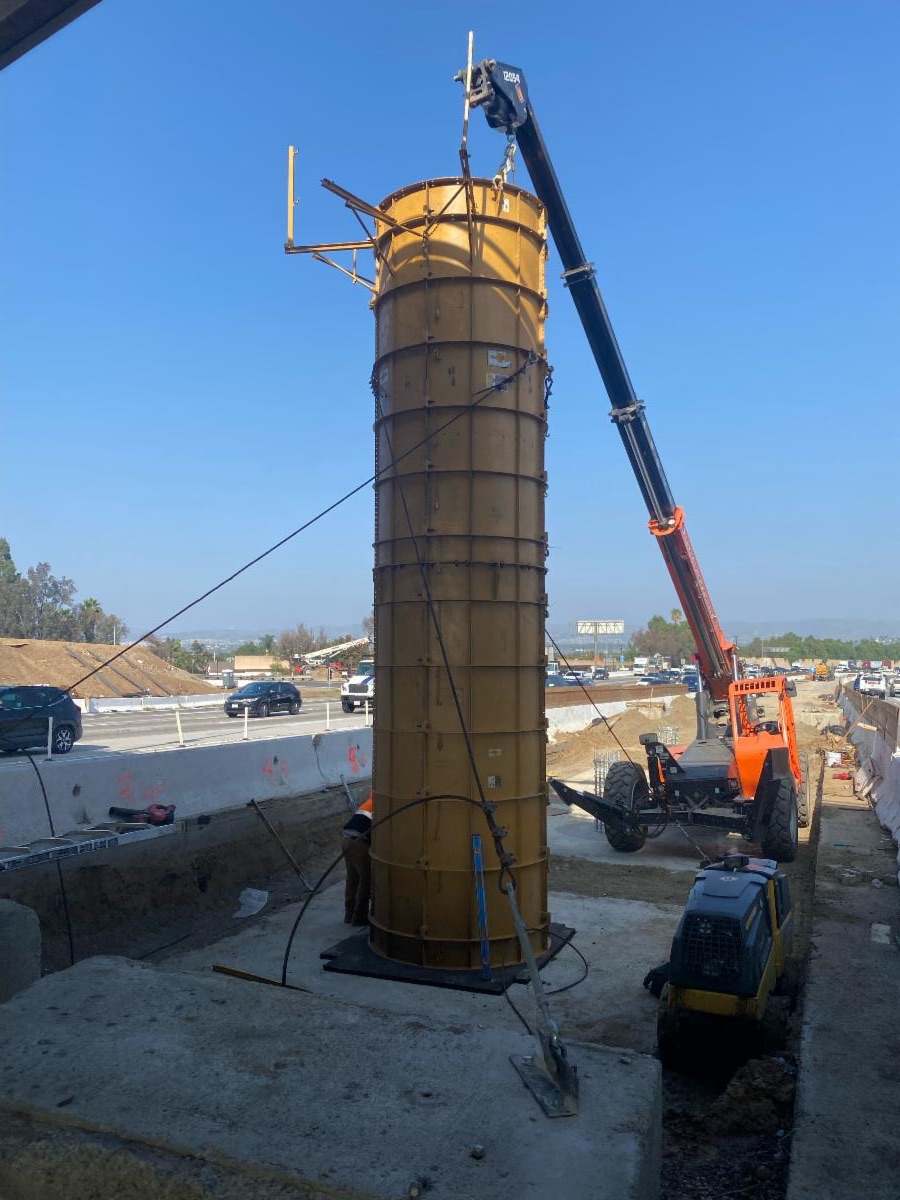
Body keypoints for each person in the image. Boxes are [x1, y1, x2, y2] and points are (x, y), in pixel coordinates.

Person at [342, 793, 373, 925]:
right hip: (359, 842)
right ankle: (359, 917)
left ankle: (349, 914)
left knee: (352, 878)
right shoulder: (382, 807)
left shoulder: (368, 804)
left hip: (346, 839)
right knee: (366, 879)